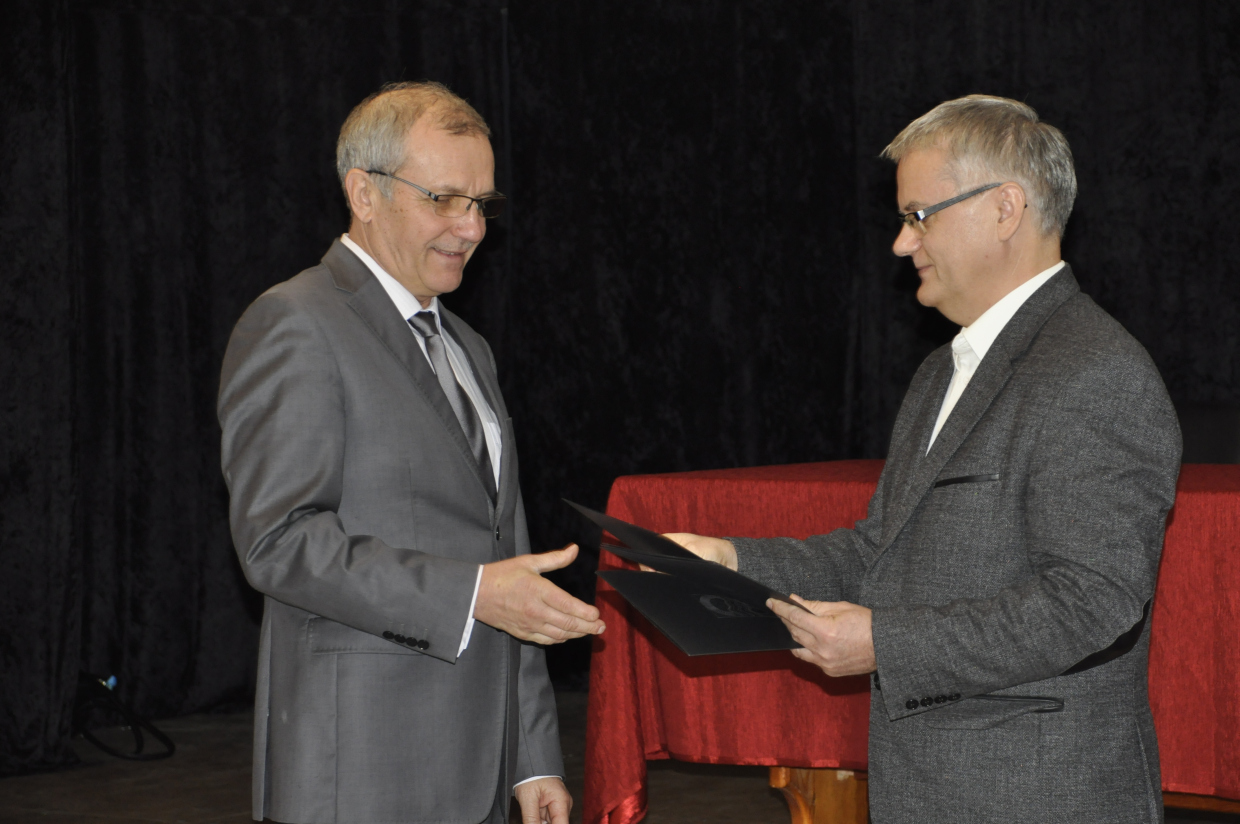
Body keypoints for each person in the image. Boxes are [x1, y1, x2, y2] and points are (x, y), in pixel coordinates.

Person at [668, 96, 1181, 823]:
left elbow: (1091, 602)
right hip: (931, 789)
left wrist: (884, 642)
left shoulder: (1097, 371)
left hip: (1036, 797)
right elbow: (881, 553)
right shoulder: (941, 371)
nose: (901, 244)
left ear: (1005, 208)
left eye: (918, 216)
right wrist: (729, 562)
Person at [218, 81, 604, 824]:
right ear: (364, 193)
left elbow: (504, 556)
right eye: (444, 199)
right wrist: (471, 595)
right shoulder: (295, 323)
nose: (471, 227)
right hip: (361, 769)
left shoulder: (468, 347)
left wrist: (532, 758)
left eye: (482, 204)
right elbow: (278, 542)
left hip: (481, 771)